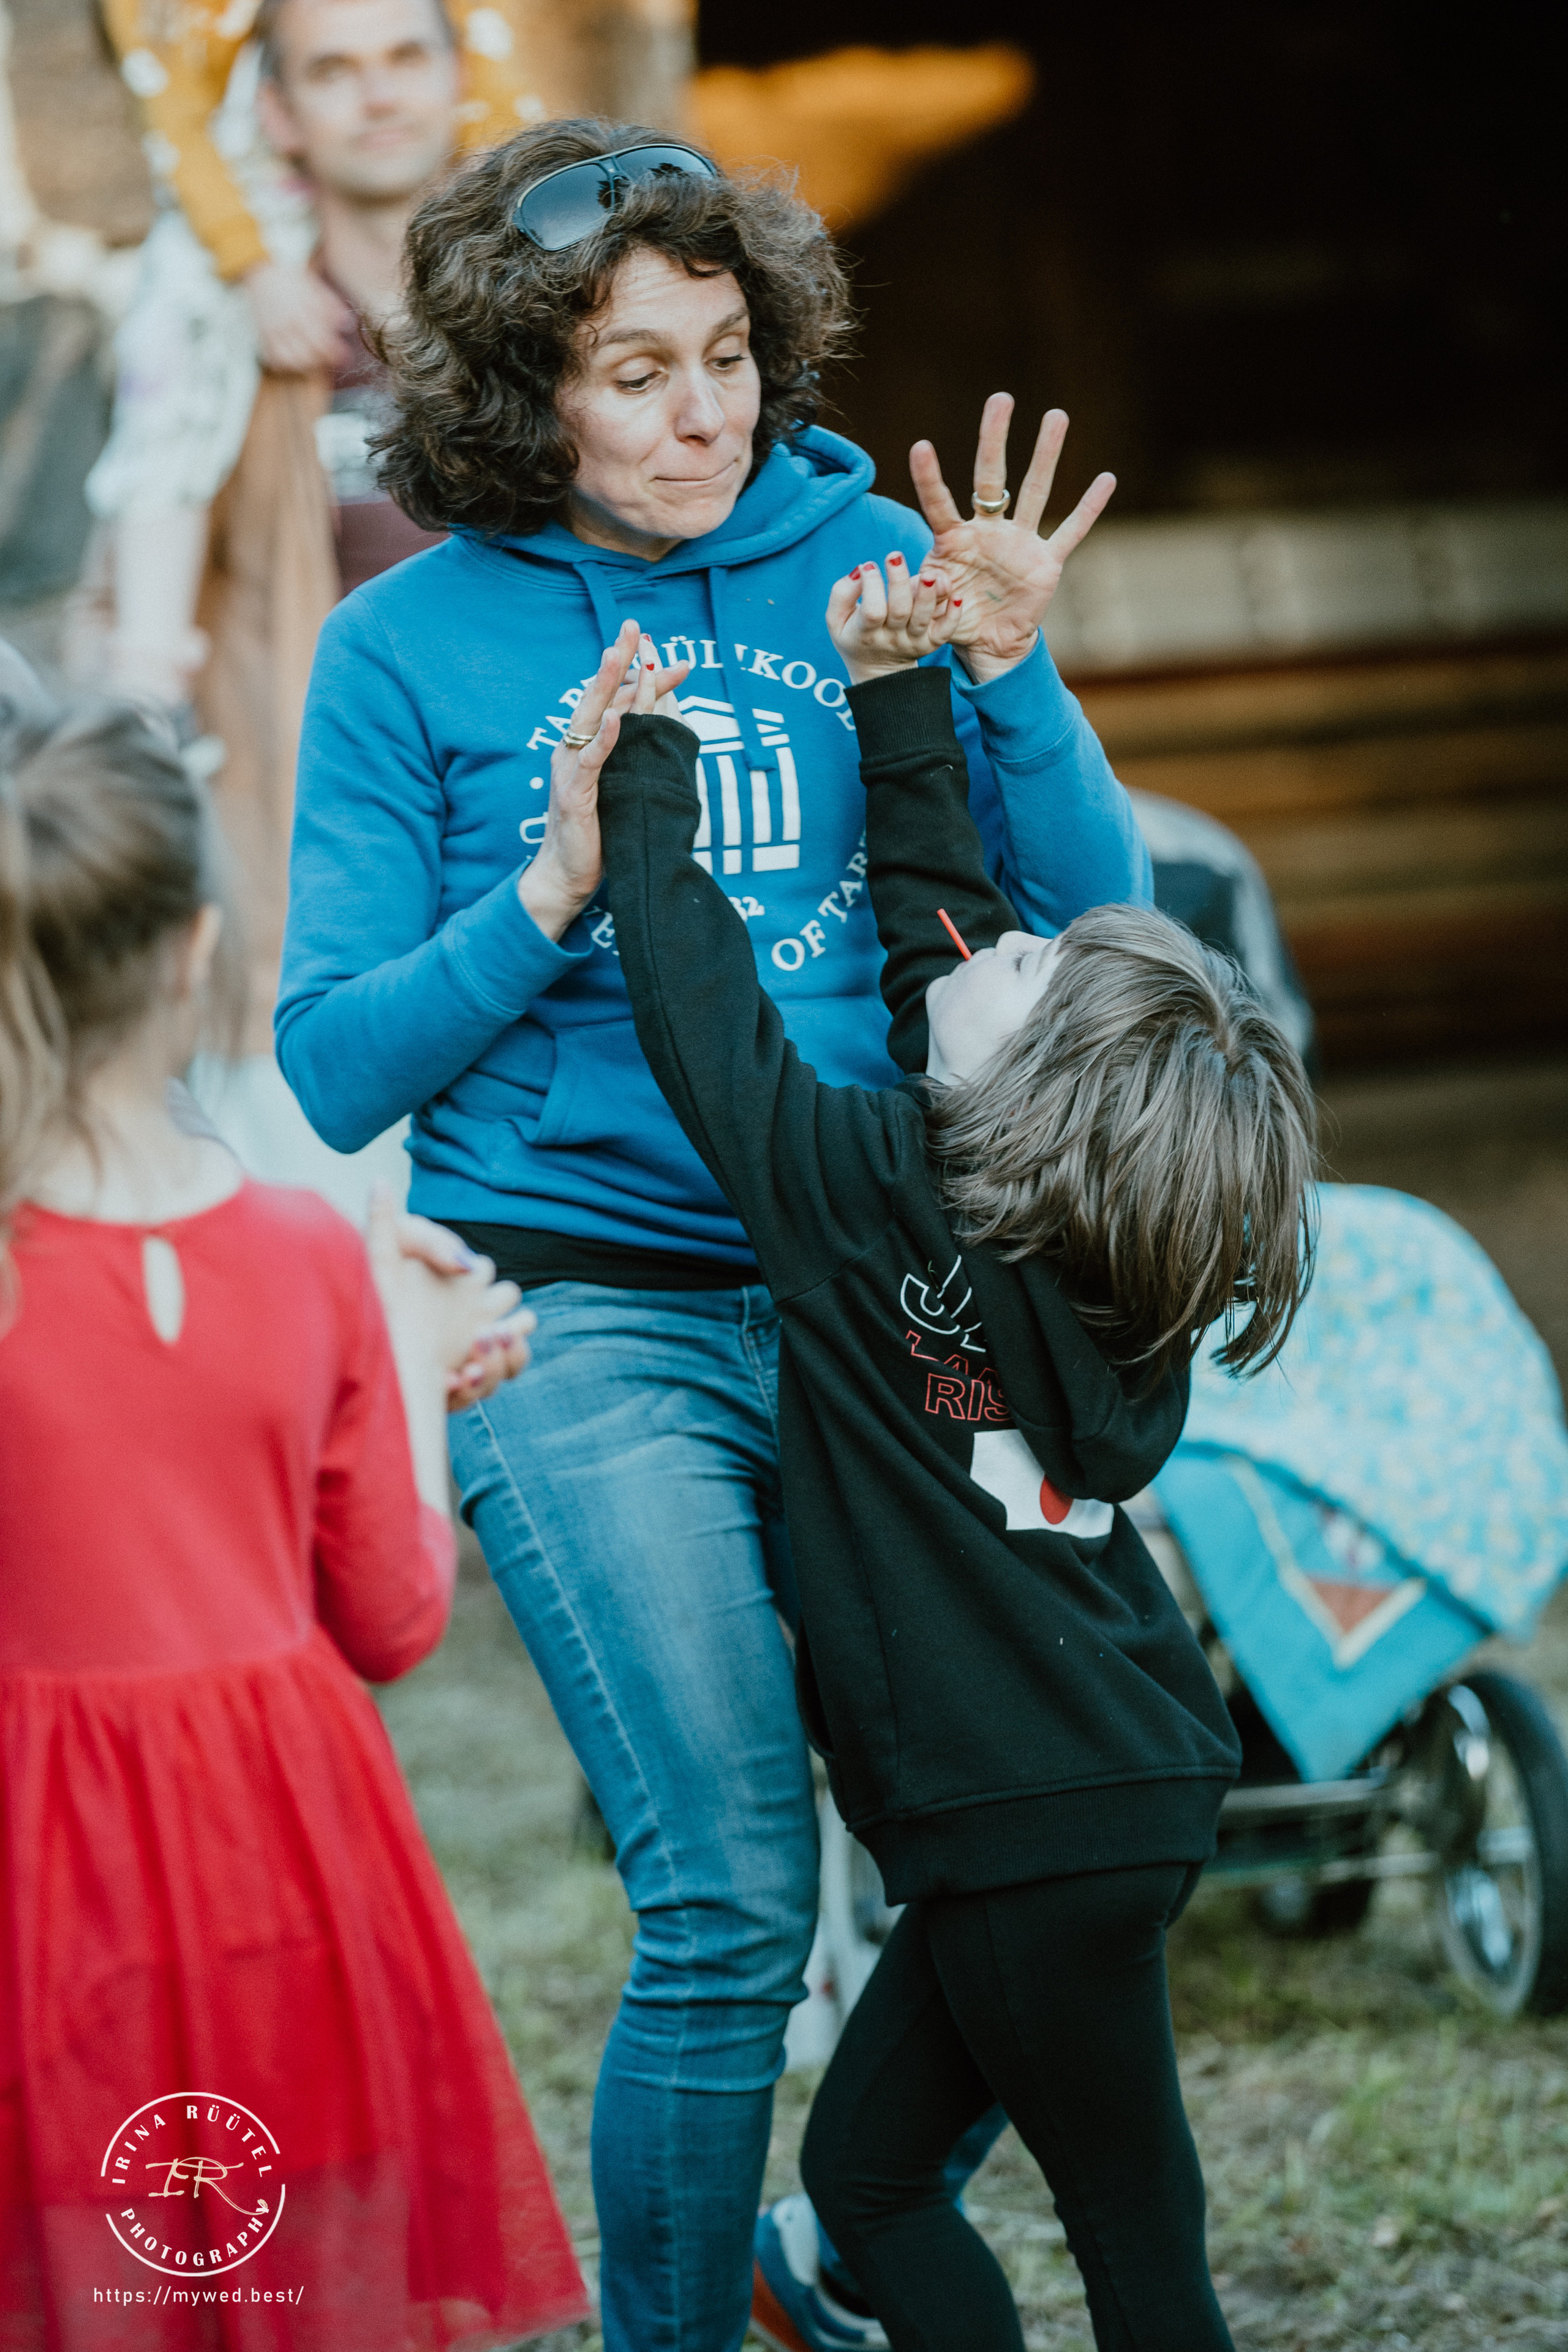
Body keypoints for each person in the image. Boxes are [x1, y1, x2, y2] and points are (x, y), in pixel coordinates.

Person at [276, 115, 1151, 2352]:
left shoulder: (864, 549)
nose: (701, 413)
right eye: (634, 371)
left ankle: (843, 2242)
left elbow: (1092, 929)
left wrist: (1009, 670)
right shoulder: (406, 654)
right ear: (515, 396)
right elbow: (332, 1065)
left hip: (885, 1299)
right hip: (585, 1313)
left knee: (1010, 1839)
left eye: (725, 352)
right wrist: (550, 892)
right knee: (730, 1903)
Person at [569, 557, 1316, 2349]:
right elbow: (945, 950)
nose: (1013, 941)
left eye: (1042, 966)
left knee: (905, 2197)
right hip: (1124, 1775)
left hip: (1010, 1816)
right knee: (1109, 2209)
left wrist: (647, 782)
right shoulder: (1106, 1250)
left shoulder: (859, 1195)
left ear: (1029, 1094)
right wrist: (899, 699)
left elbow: (703, 1021)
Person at [0, 672, 586, 2347]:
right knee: (265, 2285)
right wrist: (406, 1361)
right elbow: (395, 1619)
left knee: (77, 2289)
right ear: (195, 953)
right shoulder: (316, 1259)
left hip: (41, 1882)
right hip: (281, 1877)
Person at [93, 0, 540, 713]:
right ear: (278, 109)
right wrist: (248, 261)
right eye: (334, 70)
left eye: (406, 59)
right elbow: (169, 108)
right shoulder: (232, 341)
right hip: (333, 775)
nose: (380, 98)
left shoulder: (541, 297)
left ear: (457, 75)